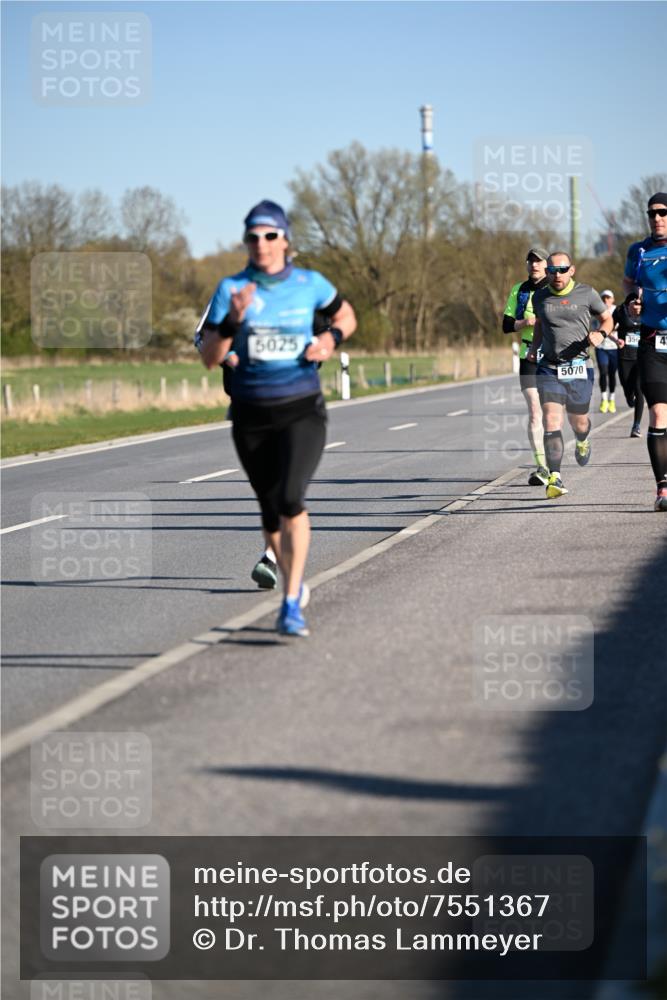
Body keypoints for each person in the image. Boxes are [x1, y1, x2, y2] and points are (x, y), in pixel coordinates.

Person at [195, 199, 357, 633]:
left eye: (270, 235)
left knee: (289, 498)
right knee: (269, 509)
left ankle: (291, 601)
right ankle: (291, 585)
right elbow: (210, 356)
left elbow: (345, 314)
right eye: (252, 236)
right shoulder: (231, 288)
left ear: (285, 240)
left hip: (302, 407)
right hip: (250, 412)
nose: (261, 244)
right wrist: (231, 321)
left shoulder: (310, 283)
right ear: (245, 242)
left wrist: (330, 339)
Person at [526, 251, 612, 498]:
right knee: (552, 420)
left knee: (579, 421)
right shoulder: (541, 296)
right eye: (552, 270)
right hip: (550, 367)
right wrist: (534, 348)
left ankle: (583, 438)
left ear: (571, 270)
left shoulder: (587, 293)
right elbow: (541, 324)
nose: (557, 275)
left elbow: (607, 319)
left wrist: (601, 334)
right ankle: (555, 477)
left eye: (562, 270)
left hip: (579, 367)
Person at [623, 192, 667, 511]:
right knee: (658, 414)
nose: (657, 218)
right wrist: (632, 301)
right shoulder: (638, 251)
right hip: (652, 341)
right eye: (652, 213)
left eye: (663, 212)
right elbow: (629, 282)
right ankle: (663, 490)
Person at [502, 247, 550, 485]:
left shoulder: (555, 286)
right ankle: (542, 466)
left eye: (538, 261)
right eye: (530, 261)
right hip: (528, 354)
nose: (534, 265)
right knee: (535, 411)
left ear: (546, 264)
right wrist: (526, 322)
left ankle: (577, 441)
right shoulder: (519, 290)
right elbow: (506, 325)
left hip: (552, 354)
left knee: (553, 412)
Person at [614, 294, 644, 437]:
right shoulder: (620, 312)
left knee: (639, 389)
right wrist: (616, 340)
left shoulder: (647, 312)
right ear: (628, 304)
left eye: (639, 304)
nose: (637, 306)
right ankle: (628, 396)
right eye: (634, 303)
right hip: (625, 356)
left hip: (642, 357)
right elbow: (608, 328)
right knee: (627, 387)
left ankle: (636, 426)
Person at [594, 290, 620, 413]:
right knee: (603, 372)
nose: (606, 300)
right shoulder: (596, 311)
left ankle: (612, 399)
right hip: (601, 347)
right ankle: (604, 399)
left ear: (612, 299)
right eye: (603, 298)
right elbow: (597, 328)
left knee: (612, 374)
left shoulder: (618, 311)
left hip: (614, 348)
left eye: (608, 298)